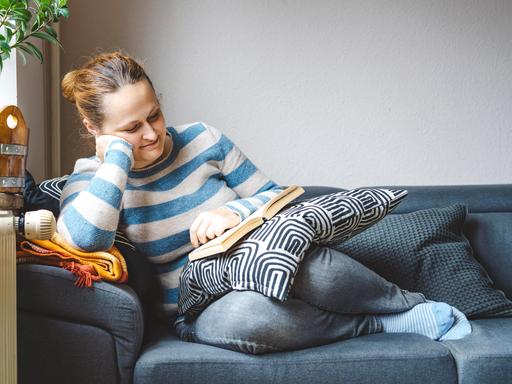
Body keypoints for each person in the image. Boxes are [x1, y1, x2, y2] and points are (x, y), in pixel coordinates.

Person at [58, 51, 471, 355]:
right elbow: (86, 239)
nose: (151, 134)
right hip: (203, 305)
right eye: (131, 128)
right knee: (253, 321)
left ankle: (409, 306)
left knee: (314, 266)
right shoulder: (94, 179)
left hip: (261, 258)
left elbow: (279, 196)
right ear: (95, 129)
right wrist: (115, 158)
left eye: (155, 115)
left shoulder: (203, 139)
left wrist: (232, 211)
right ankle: (379, 323)